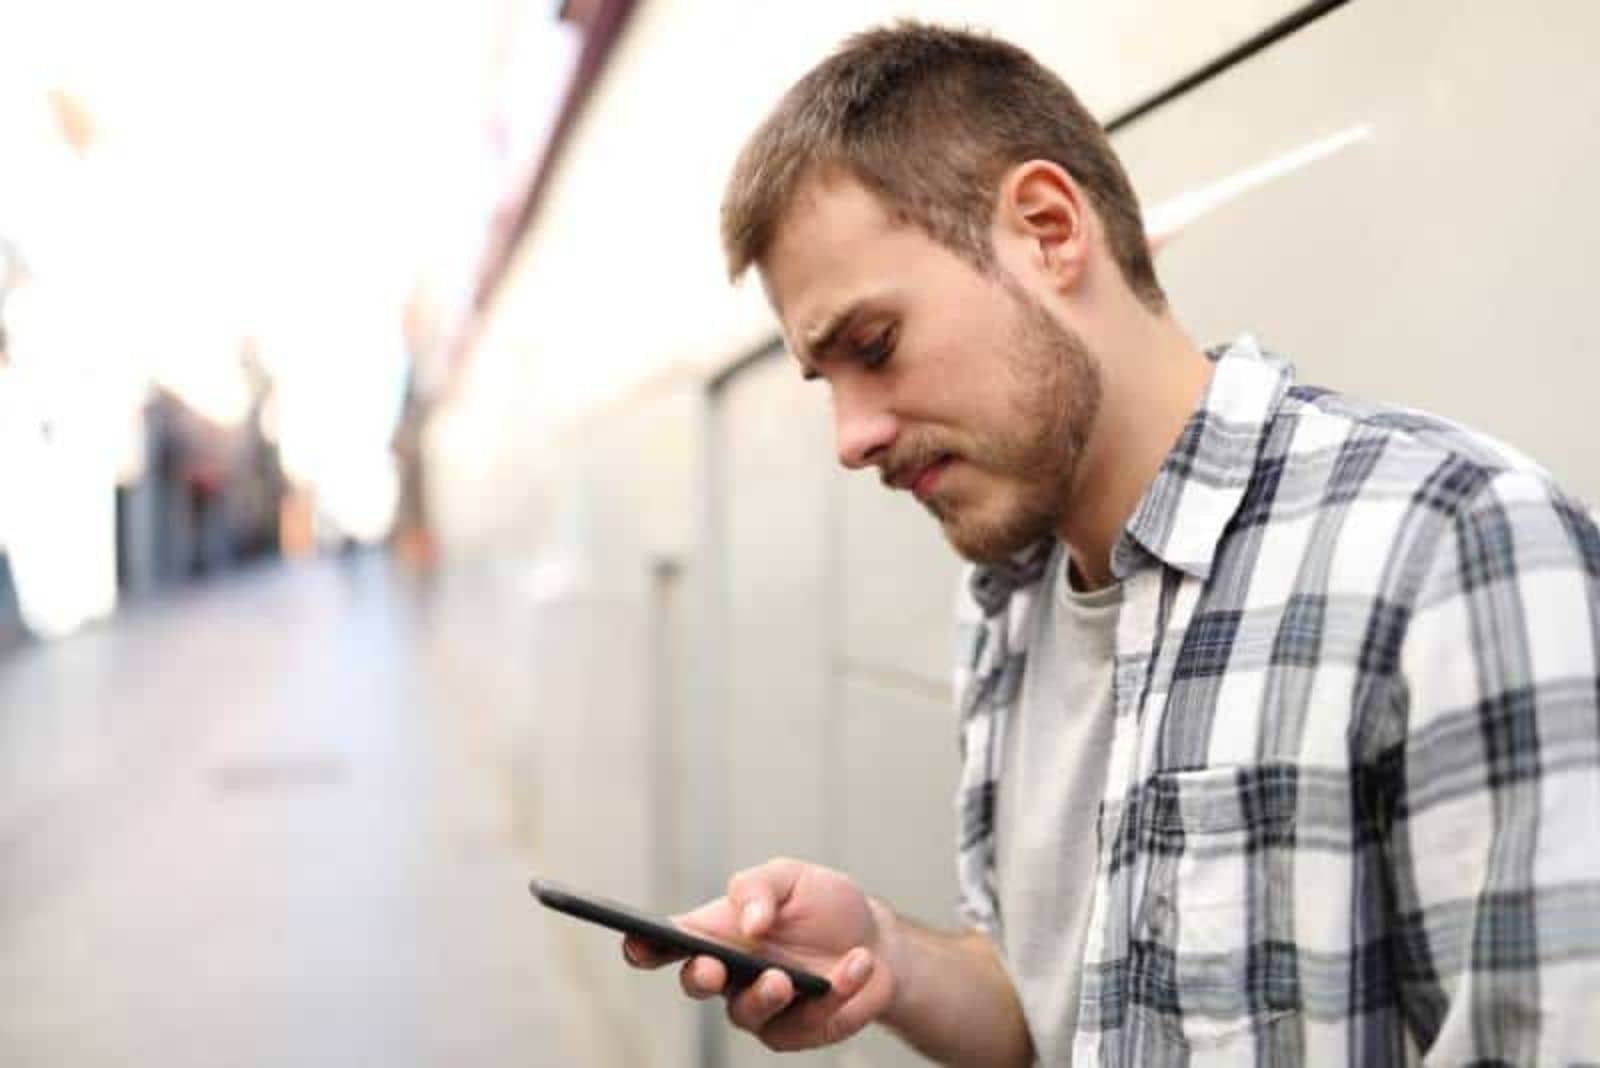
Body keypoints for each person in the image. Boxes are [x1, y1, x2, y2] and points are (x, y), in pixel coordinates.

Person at [622, 22, 1600, 1065]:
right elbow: (1049, 1013)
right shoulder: (1006, 599)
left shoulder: (1451, 547)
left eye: (875, 347)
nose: (850, 438)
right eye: (830, 381)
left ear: (1048, 229)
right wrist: (888, 957)